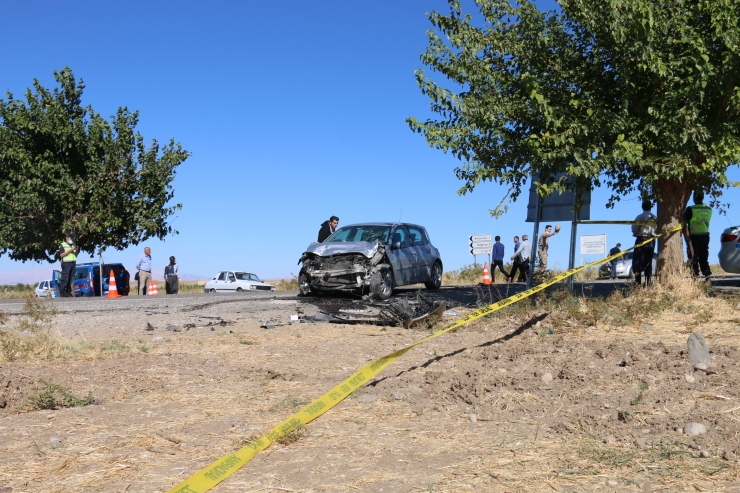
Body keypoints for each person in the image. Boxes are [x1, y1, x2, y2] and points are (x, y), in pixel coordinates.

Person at [684, 190, 713, 279]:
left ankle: (695, 274)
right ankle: (707, 273)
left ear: (694, 198)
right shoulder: (709, 209)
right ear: (703, 198)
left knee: (693, 256)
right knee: (704, 255)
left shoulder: (691, 209)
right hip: (705, 235)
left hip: (693, 236)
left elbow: (684, 222)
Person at [631, 200, 658, 286]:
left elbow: (634, 228)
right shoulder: (655, 217)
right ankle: (648, 281)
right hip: (652, 241)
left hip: (641, 239)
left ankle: (638, 283)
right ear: (651, 207)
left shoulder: (640, 217)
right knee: (648, 261)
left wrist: (635, 234)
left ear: (642, 207)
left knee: (638, 261)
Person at [57, 233, 79, 297]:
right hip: (66, 263)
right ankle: (62, 292)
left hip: (73, 263)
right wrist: (71, 249)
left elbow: (76, 255)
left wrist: (76, 250)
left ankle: (68, 291)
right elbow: (61, 255)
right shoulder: (62, 245)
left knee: (71, 278)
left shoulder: (74, 245)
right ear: (68, 238)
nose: (72, 240)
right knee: (65, 278)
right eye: (72, 239)